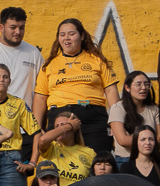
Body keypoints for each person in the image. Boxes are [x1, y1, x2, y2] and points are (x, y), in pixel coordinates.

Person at [32, 18, 119, 157]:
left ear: (82, 36)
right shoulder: (49, 65)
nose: (66, 38)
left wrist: (117, 122)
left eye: (71, 34)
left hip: (93, 120)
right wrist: (36, 128)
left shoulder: (97, 60)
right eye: (62, 34)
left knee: (98, 164)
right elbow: (40, 97)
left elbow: (111, 90)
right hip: (58, 120)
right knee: (59, 166)